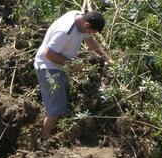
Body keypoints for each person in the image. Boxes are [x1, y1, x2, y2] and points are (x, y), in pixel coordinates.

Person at [34, 10, 111, 140]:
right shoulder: (65, 31)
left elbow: (90, 41)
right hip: (47, 67)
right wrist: (72, 65)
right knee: (56, 108)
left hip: (58, 67)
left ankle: (51, 130)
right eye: (91, 31)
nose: (90, 35)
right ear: (86, 25)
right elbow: (49, 54)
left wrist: (108, 58)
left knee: (62, 98)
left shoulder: (79, 16)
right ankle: (44, 139)